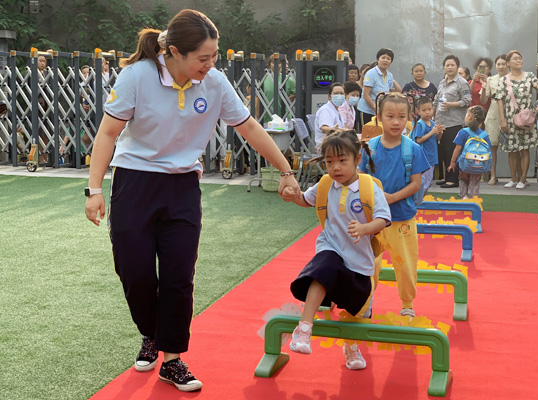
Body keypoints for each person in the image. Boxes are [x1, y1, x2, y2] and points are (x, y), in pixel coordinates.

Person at [83, 9, 300, 392]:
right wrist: (95, 190)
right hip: (134, 184)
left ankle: (171, 358)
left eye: (214, 56)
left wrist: (285, 170)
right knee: (134, 273)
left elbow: (248, 126)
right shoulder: (138, 76)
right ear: (174, 53)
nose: (210, 65)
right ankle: (151, 333)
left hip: (183, 188)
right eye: (203, 58)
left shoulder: (214, 83)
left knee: (179, 276)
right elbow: (108, 133)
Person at [282, 130, 391, 369]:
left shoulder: (369, 188)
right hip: (331, 246)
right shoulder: (325, 185)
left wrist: (365, 228)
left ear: (357, 159)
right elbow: (305, 199)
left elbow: (383, 218)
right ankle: (304, 328)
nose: (335, 168)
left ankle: (351, 346)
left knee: (358, 309)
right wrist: (293, 196)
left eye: (342, 161)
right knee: (322, 271)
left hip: (360, 259)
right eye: (330, 162)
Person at [359, 92, 430, 318]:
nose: (396, 121)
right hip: (371, 221)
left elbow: (416, 184)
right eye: (390, 116)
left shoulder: (412, 149)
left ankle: (407, 304)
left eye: (402, 116)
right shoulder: (369, 147)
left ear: (409, 118)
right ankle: (364, 303)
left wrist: (391, 198)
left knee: (406, 264)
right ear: (379, 117)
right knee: (368, 265)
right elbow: (360, 178)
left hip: (402, 218)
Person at [495, 50, 538, 189]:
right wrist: (502, 120)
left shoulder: (529, 76)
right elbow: (499, 100)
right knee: (511, 150)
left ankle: (523, 179)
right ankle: (513, 178)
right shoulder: (503, 80)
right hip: (510, 118)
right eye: (515, 59)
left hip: (527, 119)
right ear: (508, 63)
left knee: (524, 149)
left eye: (520, 58)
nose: (519, 61)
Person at [434, 55, 472, 188]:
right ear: (444, 67)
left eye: (452, 65)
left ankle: (453, 179)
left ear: (457, 66)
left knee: (452, 151)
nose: (449, 67)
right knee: (443, 151)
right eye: (447, 65)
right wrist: (433, 116)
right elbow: (436, 100)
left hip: (454, 123)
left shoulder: (462, 82)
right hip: (441, 122)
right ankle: (446, 177)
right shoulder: (442, 82)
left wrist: (451, 104)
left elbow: (467, 101)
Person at [448, 105, 491, 199]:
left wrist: (452, 162)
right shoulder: (484, 135)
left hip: (464, 164)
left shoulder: (463, 132)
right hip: (479, 164)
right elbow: (488, 150)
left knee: (463, 179)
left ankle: (464, 196)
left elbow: (457, 148)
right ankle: (474, 198)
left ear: (470, 117)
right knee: (475, 181)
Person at [357, 48, 402, 129]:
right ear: (378, 59)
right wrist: (375, 108)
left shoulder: (390, 76)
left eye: (388, 59)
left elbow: (391, 92)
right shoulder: (371, 73)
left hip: (381, 112)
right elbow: (366, 95)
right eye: (383, 58)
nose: (385, 60)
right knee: (367, 136)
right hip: (367, 111)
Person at [480, 54, 507, 185]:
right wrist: (484, 88)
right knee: (493, 146)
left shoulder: (513, 78)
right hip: (493, 114)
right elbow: (483, 100)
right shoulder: (491, 79)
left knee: (515, 147)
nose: (501, 66)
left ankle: (517, 177)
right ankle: (493, 175)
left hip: (510, 113)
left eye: (503, 63)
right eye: (498, 64)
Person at [411, 97, 443, 202]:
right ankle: (417, 200)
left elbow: (438, 139)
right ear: (418, 111)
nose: (427, 112)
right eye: (424, 110)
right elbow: (419, 140)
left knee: (428, 181)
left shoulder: (433, 123)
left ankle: (420, 199)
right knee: (423, 181)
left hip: (432, 156)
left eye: (429, 109)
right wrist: (432, 132)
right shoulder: (420, 124)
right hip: (423, 157)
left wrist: (439, 132)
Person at [262, 54, 296, 123]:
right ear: (269, 65)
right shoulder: (264, 80)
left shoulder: (288, 79)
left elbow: (297, 93)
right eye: (274, 63)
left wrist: (287, 100)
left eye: (279, 63)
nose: (276, 65)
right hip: (268, 117)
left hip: (284, 117)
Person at [315, 82, 347, 149]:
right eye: (336, 93)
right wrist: (339, 130)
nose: (339, 96)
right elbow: (324, 128)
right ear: (330, 96)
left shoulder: (337, 110)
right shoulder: (325, 110)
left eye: (341, 93)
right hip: (327, 146)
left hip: (337, 143)